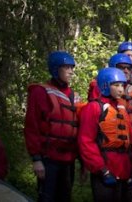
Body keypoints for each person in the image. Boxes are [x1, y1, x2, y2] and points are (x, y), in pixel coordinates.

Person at [25, 50, 80, 202]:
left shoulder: (74, 96)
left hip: (68, 160)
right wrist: (36, 158)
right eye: (66, 67)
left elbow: (79, 129)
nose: (71, 71)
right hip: (48, 159)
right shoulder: (40, 92)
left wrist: (82, 161)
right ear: (56, 69)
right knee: (47, 198)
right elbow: (32, 126)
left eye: (72, 68)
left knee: (65, 198)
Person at [78, 67, 132, 202]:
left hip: (124, 169)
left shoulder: (121, 108)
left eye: (122, 85)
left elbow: (130, 139)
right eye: (116, 85)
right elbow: (86, 141)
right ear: (105, 85)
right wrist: (102, 169)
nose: (121, 89)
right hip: (105, 169)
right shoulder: (94, 107)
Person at [89, 52, 132, 158]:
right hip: (106, 148)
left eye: (128, 68)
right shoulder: (100, 89)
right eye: (121, 67)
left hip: (131, 146)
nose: (125, 71)